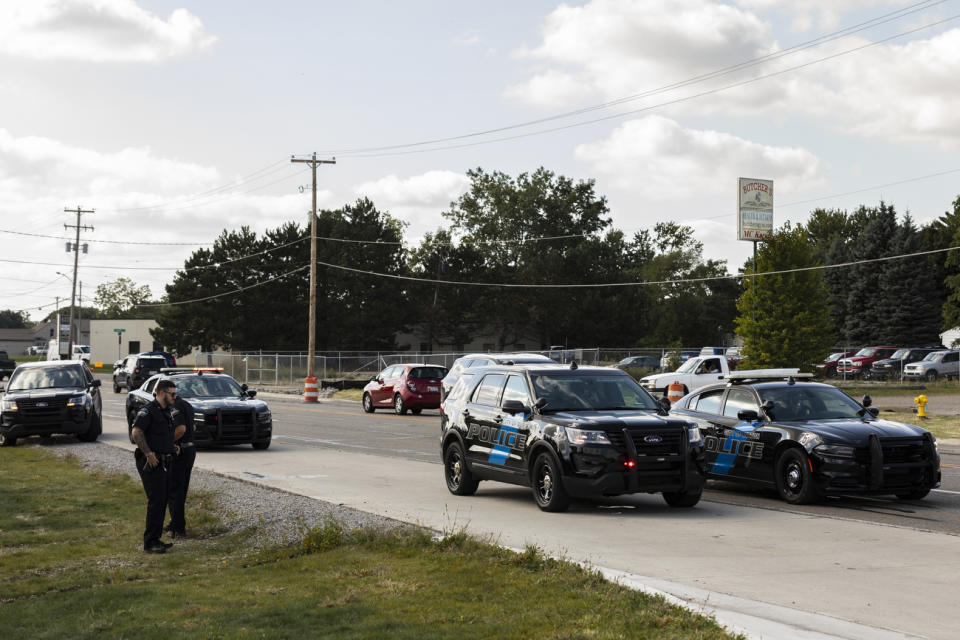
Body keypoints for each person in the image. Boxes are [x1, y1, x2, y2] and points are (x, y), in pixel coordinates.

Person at [130, 379, 179, 553]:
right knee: (156, 501)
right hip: (151, 463)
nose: (175, 396)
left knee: (162, 500)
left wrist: (170, 446)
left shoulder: (166, 412)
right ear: (161, 393)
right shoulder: (148, 411)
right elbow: (136, 432)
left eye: (175, 393)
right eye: (171, 393)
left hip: (164, 461)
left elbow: (160, 434)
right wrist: (148, 453)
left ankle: (156, 538)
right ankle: (150, 542)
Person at [165, 391, 196, 538]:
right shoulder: (187, 405)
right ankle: (175, 522)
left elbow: (181, 428)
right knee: (181, 490)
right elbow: (193, 427)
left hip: (180, 451)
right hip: (189, 449)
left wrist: (167, 442)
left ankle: (178, 528)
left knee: (174, 491)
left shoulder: (175, 406)